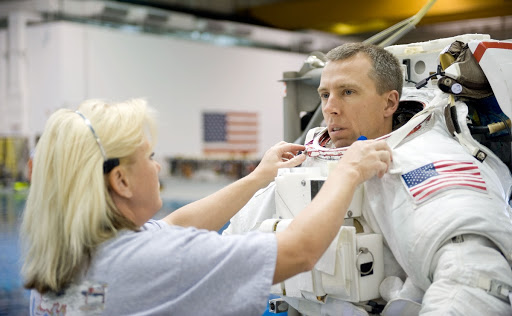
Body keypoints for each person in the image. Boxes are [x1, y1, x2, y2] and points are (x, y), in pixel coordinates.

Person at [20, 98, 392, 316]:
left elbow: (177, 224)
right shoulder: (156, 261)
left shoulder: (64, 258)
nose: (158, 167)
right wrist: (348, 172)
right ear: (121, 182)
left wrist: (258, 177)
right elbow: (301, 251)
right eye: (149, 157)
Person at [225, 42, 512, 315]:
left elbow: (473, 279)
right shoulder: (306, 160)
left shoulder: (424, 162)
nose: (330, 108)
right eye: (325, 95)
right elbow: (222, 258)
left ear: (389, 104)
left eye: (347, 92)